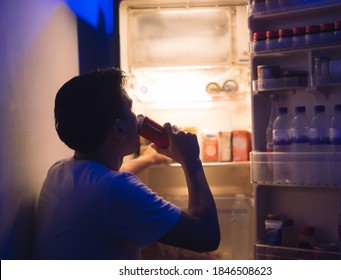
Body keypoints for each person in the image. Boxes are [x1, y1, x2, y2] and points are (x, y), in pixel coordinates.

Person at [32, 67, 220, 259]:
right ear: (118, 128)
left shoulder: (59, 171)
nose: (138, 119)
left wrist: (147, 159)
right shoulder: (116, 189)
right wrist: (191, 160)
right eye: (131, 110)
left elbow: (106, 184)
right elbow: (207, 236)